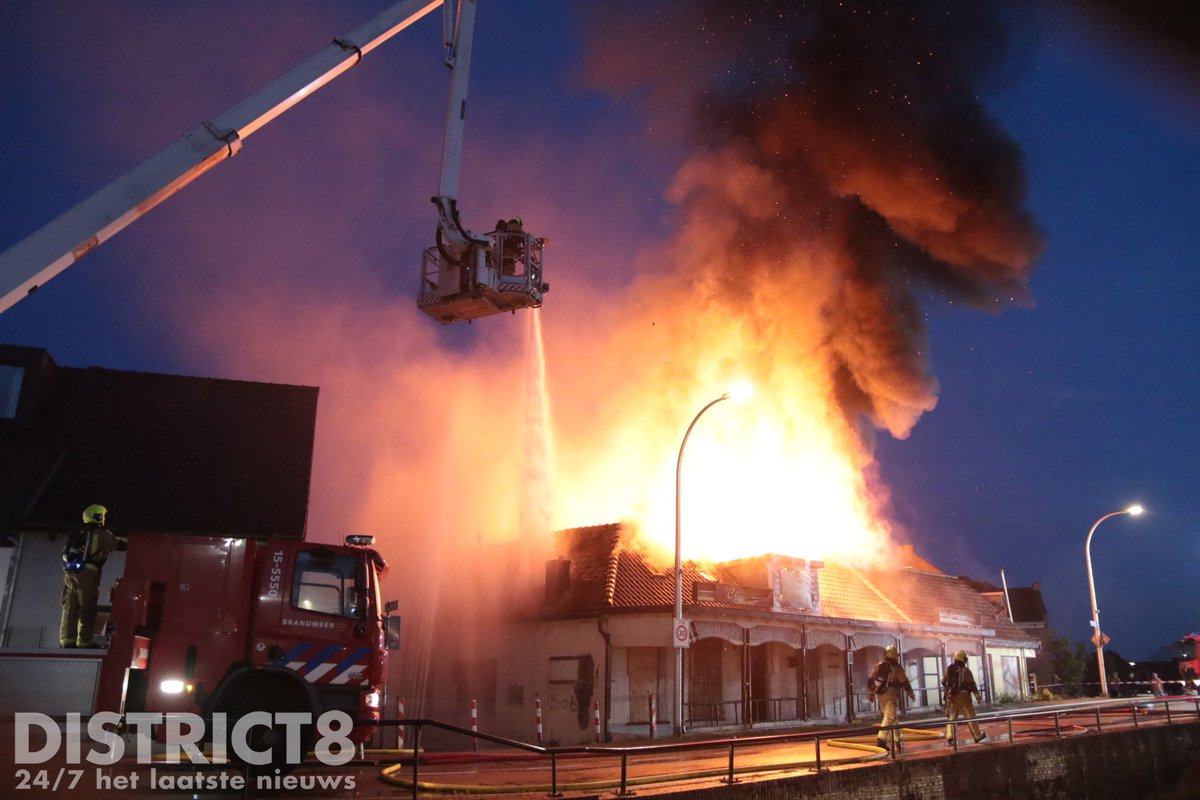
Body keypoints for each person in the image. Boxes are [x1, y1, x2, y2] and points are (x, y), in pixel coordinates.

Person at [60, 504, 127, 648]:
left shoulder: (80, 533)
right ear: (98, 517)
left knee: (70, 607)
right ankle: (84, 641)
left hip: (70, 572)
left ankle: (67, 641)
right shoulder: (100, 533)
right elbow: (119, 545)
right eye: (102, 516)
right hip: (88, 573)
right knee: (87, 607)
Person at [868, 644, 915, 751]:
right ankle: (881, 740)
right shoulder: (896, 667)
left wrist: (871, 693)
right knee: (890, 717)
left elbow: (871, 680)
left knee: (892, 717)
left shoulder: (878, 665)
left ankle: (898, 739)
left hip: (879, 695)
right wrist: (910, 693)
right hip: (891, 694)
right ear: (895, 655)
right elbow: (904, 681)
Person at [942, 650, 987, 745]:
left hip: (951, 697)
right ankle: (977, 735)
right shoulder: (965, 671)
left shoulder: (948, 669)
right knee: (970, 716)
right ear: (963, 659)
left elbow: (943, 682)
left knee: (951, 718)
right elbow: (972, 684)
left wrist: (950, 692)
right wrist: (978, 697)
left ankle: (950, 737)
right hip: (963, 697)